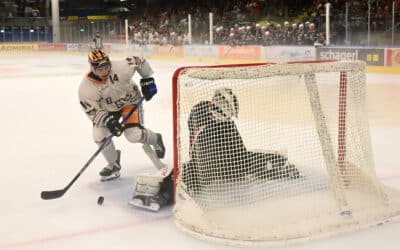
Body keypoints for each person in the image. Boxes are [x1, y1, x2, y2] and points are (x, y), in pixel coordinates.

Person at [181, 88, 300, 195]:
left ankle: (275, 164)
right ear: (214, 105)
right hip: (206, 163)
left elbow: (240, 153)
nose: (223, 118)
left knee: (243, 163)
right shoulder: (199, 112)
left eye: (227, 116)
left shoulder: (226, 125)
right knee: (196, 171)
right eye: (222, 113)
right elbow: (197, 146)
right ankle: (182, 182)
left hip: (223, 163)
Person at [78, 49, 165, 187]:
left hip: (130, 103)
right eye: (99, 69)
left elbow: (139, 61)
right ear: (92, 67)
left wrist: (147, 79)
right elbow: (92, 111)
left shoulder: (121, 67)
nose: (104, 71)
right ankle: (113, 164)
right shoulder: (86, 88)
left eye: (106, 66)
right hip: (108, 110)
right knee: (99, 134)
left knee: (133, 136)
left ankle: (156, 139)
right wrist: (109, 122)